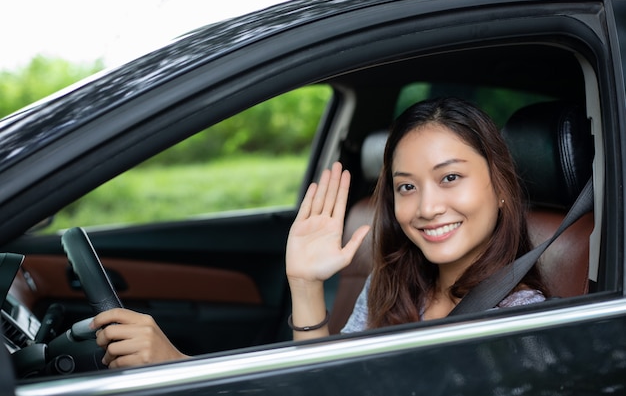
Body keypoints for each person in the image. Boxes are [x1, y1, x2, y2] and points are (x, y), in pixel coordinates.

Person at [90, 97, 548, 367]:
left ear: (501, 186)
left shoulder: (523, 321)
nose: (427, 207)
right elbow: (327, 381)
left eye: (450, 178)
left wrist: (179, 369)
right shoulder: (392, 285)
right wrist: (306, 284)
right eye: (406, 186)